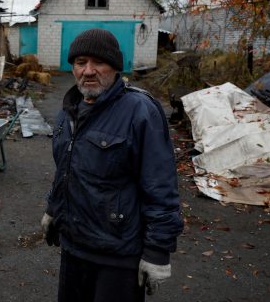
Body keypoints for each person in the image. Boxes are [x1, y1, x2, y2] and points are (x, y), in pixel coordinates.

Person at [41, 28, 183, 302]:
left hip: (118, 256)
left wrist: (157, 251)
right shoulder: (68, 111)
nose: (89, 71)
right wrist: (52, 209)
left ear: (115, 67)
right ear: (73, 68)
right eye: (81, 63)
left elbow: (161, 186)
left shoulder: (140, 112)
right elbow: (65, 172)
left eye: (99, 63)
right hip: (73, 248)